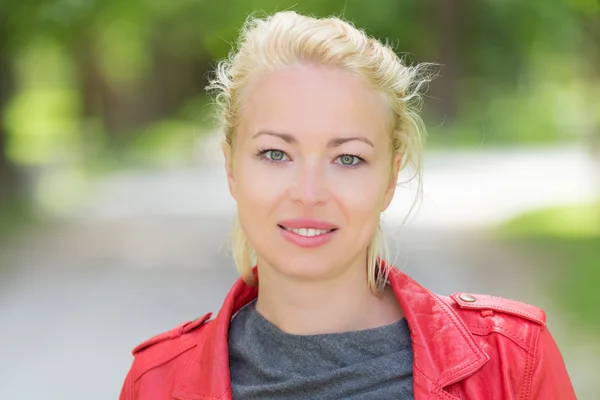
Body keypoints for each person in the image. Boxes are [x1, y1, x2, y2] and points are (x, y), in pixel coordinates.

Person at [119, 11, 576, 400]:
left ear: (390, 179)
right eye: (276, 153)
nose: (309, 191)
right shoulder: (157, 382)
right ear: (232, 168)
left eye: (348, 158)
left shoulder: (513, 362)